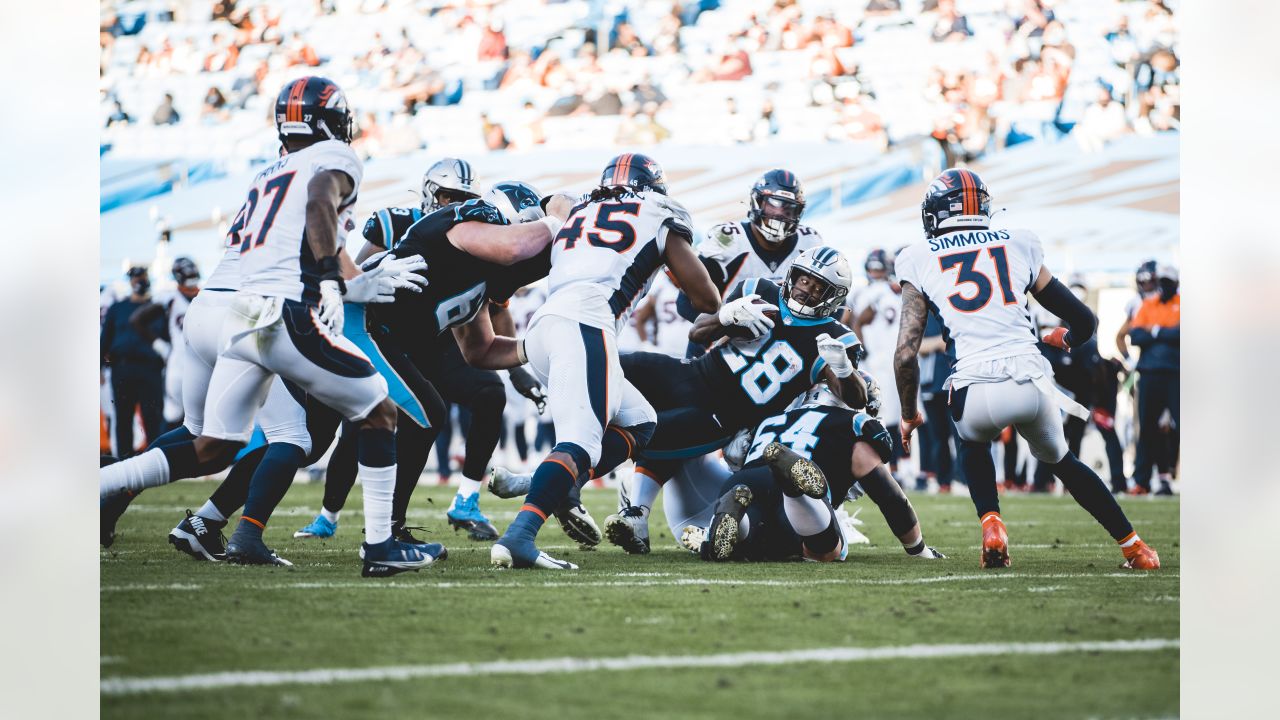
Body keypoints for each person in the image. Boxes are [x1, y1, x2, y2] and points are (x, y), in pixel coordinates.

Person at [100, 76, 438, 577]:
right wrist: (331, 281)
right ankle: (380, 546)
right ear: (330, 122)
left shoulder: (267, 174)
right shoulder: (335, 160)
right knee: (376, 411)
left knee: (212, 444)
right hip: (270, 314)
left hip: (226, 313)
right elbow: (320, 201)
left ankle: (98, 488)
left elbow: (309, 234)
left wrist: (349, 278)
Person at [458, 153, 721, 569]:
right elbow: (707, 300)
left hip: (545, 329)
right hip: (585, 323)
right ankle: (519, 537)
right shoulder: (658, 212)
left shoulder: (579, 207)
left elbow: (552, 207)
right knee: (580, 442)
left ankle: (560, 485)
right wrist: (676, 263)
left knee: (640, 421)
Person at [893, 168, 1160, 570]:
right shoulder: (1018, 241)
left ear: (935, 214)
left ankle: (992, 525)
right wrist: (1062, 339)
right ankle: (1135, 548)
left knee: (972, 441)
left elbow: (905, 353)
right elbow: (1085, 322)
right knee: (1064, 462)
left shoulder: (917, 256)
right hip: (1031, 381)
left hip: (973, 385)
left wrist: (910, 413)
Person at [294, 177, 564, 545]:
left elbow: (479, 350)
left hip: (380, 336)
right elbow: (517, 247)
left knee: (305, 443)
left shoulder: (476, 277)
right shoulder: (465, 222)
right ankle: (382, 532)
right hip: (357, 325)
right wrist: (557, 218)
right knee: (411, 416)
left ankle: (214, 519)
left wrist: (534, 347)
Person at [596, 246, 867, 554]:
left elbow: (855, 398)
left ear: (833, 297)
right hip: (694, 375)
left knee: (655, 432)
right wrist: (727, 316)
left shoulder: (833, 336)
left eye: (820, 287)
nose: (807, 290)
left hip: (727, 414)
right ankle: (583, 468)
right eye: (805, 280)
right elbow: (698, 334)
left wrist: (843, 368)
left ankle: (586, 491)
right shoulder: (759, 289)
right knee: (607, 364)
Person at [685, 384, 945, 563]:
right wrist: (918, 549)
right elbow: (890, 498)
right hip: (800, 500)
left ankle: (735, 523)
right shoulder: (852, 423)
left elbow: (735, 457)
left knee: (754, 541)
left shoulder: (771, 418)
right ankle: (794, 489)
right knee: (825, 551)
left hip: (744, 480)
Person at [129, 257, 202, 430]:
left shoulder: (206, 295)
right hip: (178, 364)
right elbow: (137, 320)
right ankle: (168, 455)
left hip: (203, 363)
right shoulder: (170, 298)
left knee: (201, 419)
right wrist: (159, 345)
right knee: (174, 416)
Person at [101, 267, 166, 456]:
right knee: (123, 418)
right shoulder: (118, 308)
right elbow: (105, 338)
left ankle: (154, 461)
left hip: (150, 368)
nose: (139, 280)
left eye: (142, 276)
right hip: (122, 368)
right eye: (135, 277)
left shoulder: (157, 307)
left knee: (152, 417)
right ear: (130, 281)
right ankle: (124, 463)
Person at [1128, 264, 1179, 495]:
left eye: (1169, 282)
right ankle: (1142, 480)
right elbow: (1135, 336)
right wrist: (1166, 333)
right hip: (1149, 373)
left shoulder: (1181, 304)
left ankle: (1170, 477)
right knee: (1147, 428)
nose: (1164, 286)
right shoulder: (1148, 304)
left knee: (1180, 427)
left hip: (1176, 373)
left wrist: (1155, 331)